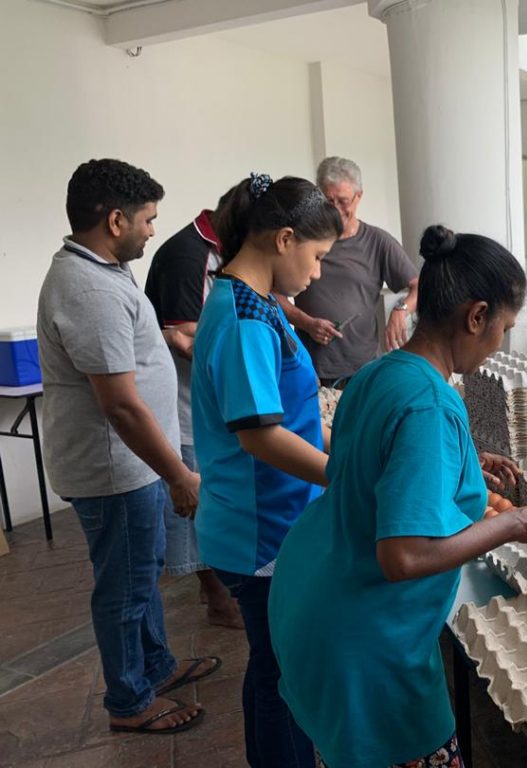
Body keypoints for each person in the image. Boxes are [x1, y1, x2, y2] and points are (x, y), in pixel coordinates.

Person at [268, 224, 527, 768]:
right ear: (476, 316)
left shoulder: (379, 373)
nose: (501, 343)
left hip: (315, 597)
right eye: (504, 328)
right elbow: (403, 556)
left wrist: (462, 461)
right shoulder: (429, 405)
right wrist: (516, 522)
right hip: (367, 638)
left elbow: (364, 467)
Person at [36, 159, 219, 735]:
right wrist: (178, 474)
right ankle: (129, 701)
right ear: (116, 220)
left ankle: (155, 666)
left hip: (129, 466)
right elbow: (119, 404)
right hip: (115, 470)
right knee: (125, 588)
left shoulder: (101, 272)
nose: (152, 230)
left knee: (141, 573)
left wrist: (160, 338)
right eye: (147, 219)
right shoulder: (89, 287)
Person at [190, 172, 342, 768]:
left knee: (274, 668)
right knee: (285, 676)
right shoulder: (244, 319)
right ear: (284, 239)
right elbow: (259, 434)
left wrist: (348, 451)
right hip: (260, 534)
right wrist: (342, 477)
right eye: (317, 256)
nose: (318, 272)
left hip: (276, 522)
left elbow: (292, 416)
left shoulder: (256, 305)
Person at [144, 200, 243, 630]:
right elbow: (185, 339)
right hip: (186, 403)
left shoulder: (221, 252)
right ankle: (217, 596)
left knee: (209, 493)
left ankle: (218, 586)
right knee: (194, 496)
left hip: (208, 401)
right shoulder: (188, 256)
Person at [276, 157, 419, 388]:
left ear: (358, 197)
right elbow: (272, 294)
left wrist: (401, 310)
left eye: (343, 201)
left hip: (364, 370)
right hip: (311, 370)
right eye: (328, 201)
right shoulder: (302, 239)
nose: (336, 209)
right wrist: (307, 323)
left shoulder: (377, 241)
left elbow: (419, 286)